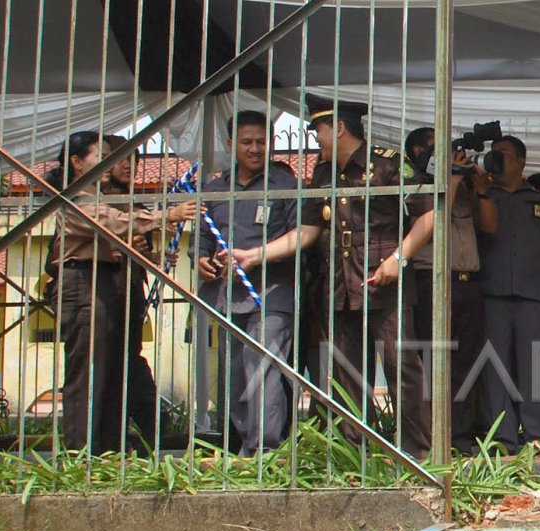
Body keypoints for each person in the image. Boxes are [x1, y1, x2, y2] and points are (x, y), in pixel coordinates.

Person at [247, 94, 430, 458]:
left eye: (319, 132)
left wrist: (399, 258)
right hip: (341, 285)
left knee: (402, 369)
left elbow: (429, 214)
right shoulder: (322, 173)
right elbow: (308, 231)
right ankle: (358, 455)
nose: (317, 140)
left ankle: (418, 455)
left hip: (385, 282)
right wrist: (255, 254)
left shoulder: (388, 165)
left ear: (340, 128)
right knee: (348, 374)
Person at [47, 131, 197, 453]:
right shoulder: (72, 198)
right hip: (83, 283)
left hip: (105, 283)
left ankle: (109, 451)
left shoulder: (103, 197)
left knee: (114, 371)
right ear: (76, 163)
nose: (112, 164)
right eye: (102, 157)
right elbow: (109, 223)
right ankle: (81, 454)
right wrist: (164, 215)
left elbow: (118, 239)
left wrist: (151, 254)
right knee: (88, 375)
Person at [195, 110, 300, 456]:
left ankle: (266, 450)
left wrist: (257, 255)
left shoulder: (285, 186)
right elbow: (202, 239)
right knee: (234, 376)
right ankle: (246, 446)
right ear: (230, 144)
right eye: (247, 142)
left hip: (272, 293)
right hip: (226, 297)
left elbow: (300, 237)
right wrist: (202, 261)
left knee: (263, 370)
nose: (255, 149)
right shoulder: (213, 190)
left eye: (262, 141)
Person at [398, 126, 498, 452]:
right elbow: (434, 223)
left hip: (468, 286)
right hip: (432, 283)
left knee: (466, 365)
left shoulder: (465, 186)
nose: (445, 154)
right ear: (417, 155)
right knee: (433, 362)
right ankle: (432, 439)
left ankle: (460, 437)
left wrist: (479, 188)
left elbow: (489, 226)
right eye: (434, 148)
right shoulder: (414, 187)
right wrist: (451, 179)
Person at [477, 135, 540, 450]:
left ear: (521, 160)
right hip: (491, 295)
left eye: (503, 154)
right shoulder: (481, 196)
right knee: (495, 369)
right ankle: (502, 438)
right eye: (493, 154)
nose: (497, 159)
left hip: (537, 296)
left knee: (539, 367)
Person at [101, 134, 162, 446]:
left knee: (130, 359)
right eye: (120, 158)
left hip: (131, 296)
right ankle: (112, 438)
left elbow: (142, 251)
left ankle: (146, 433)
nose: (128, 165)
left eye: (133, 158)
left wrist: (151, 257)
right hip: (100, 296)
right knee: (109, 366)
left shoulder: (136, 203)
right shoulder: (92, 199)